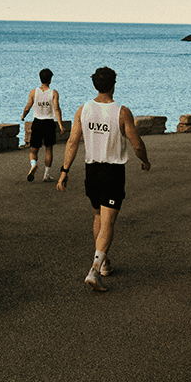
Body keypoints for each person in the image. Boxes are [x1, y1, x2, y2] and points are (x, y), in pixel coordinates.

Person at [56, 66, 151, 292]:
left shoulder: (83, 110)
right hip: (112, 171)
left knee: (98, 216)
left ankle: (105, 263)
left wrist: (64, 171)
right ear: (114, 84)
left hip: (92, 171)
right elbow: (136, 144)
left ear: (95, 85)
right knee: (108, 222)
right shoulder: (121, 112)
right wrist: (145, 161)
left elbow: (72, 142)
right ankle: (94, 270)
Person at [21, 68, 65, 182]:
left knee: (33, 150)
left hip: (37, 122)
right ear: (50, 79)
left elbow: (28, 107)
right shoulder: (53, 93)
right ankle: (46, 174)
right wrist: (60, 125)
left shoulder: (33, 92)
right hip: (49, 123)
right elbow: (57, 109)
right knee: (48, 149)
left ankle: (33, 165)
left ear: (40, 78)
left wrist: (23, 116)